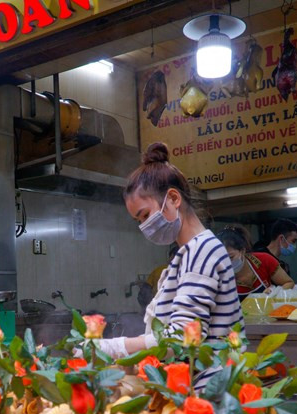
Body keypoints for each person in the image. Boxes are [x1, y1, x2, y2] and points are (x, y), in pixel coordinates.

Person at [94, 143, 243, 382]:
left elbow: (182, 339)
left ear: (173, 198)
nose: (143, 225)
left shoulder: (203, 250)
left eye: (145, 215)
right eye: (138, 220)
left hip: (209, 392)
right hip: (193, 388)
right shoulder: (187, 254)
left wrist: (115, 347)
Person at [219, 226, 295, 299]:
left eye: (231, 257)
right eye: (222, 259)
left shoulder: (264, 260)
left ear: (242, 250)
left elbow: (289, 283)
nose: (227, 263)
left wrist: (274, 292)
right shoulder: (219, 276)